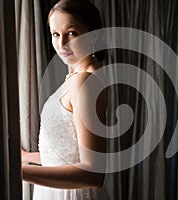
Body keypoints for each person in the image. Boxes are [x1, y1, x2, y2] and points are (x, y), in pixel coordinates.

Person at [21, 0, 109, 199]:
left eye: (71, 33)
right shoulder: (78, 78)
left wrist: (20, 171)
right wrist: (28, 158)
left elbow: (93, 174)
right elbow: (65, 155)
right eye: (55, 34)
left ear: (93, 35)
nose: (61, 45)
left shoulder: (85, 82)